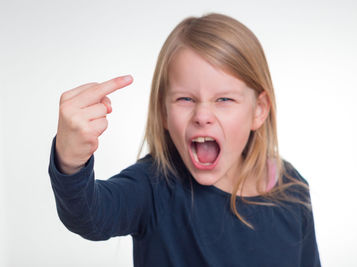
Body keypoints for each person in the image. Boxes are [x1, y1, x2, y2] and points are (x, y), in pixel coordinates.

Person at [48, 13, 321, 266]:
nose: (202, 115)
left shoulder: (292, 189)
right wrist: (71, 162)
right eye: (185, 99)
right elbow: (89, 216)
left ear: (259, 111)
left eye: (224, 99)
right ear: (163, 112)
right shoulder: (153, 186)